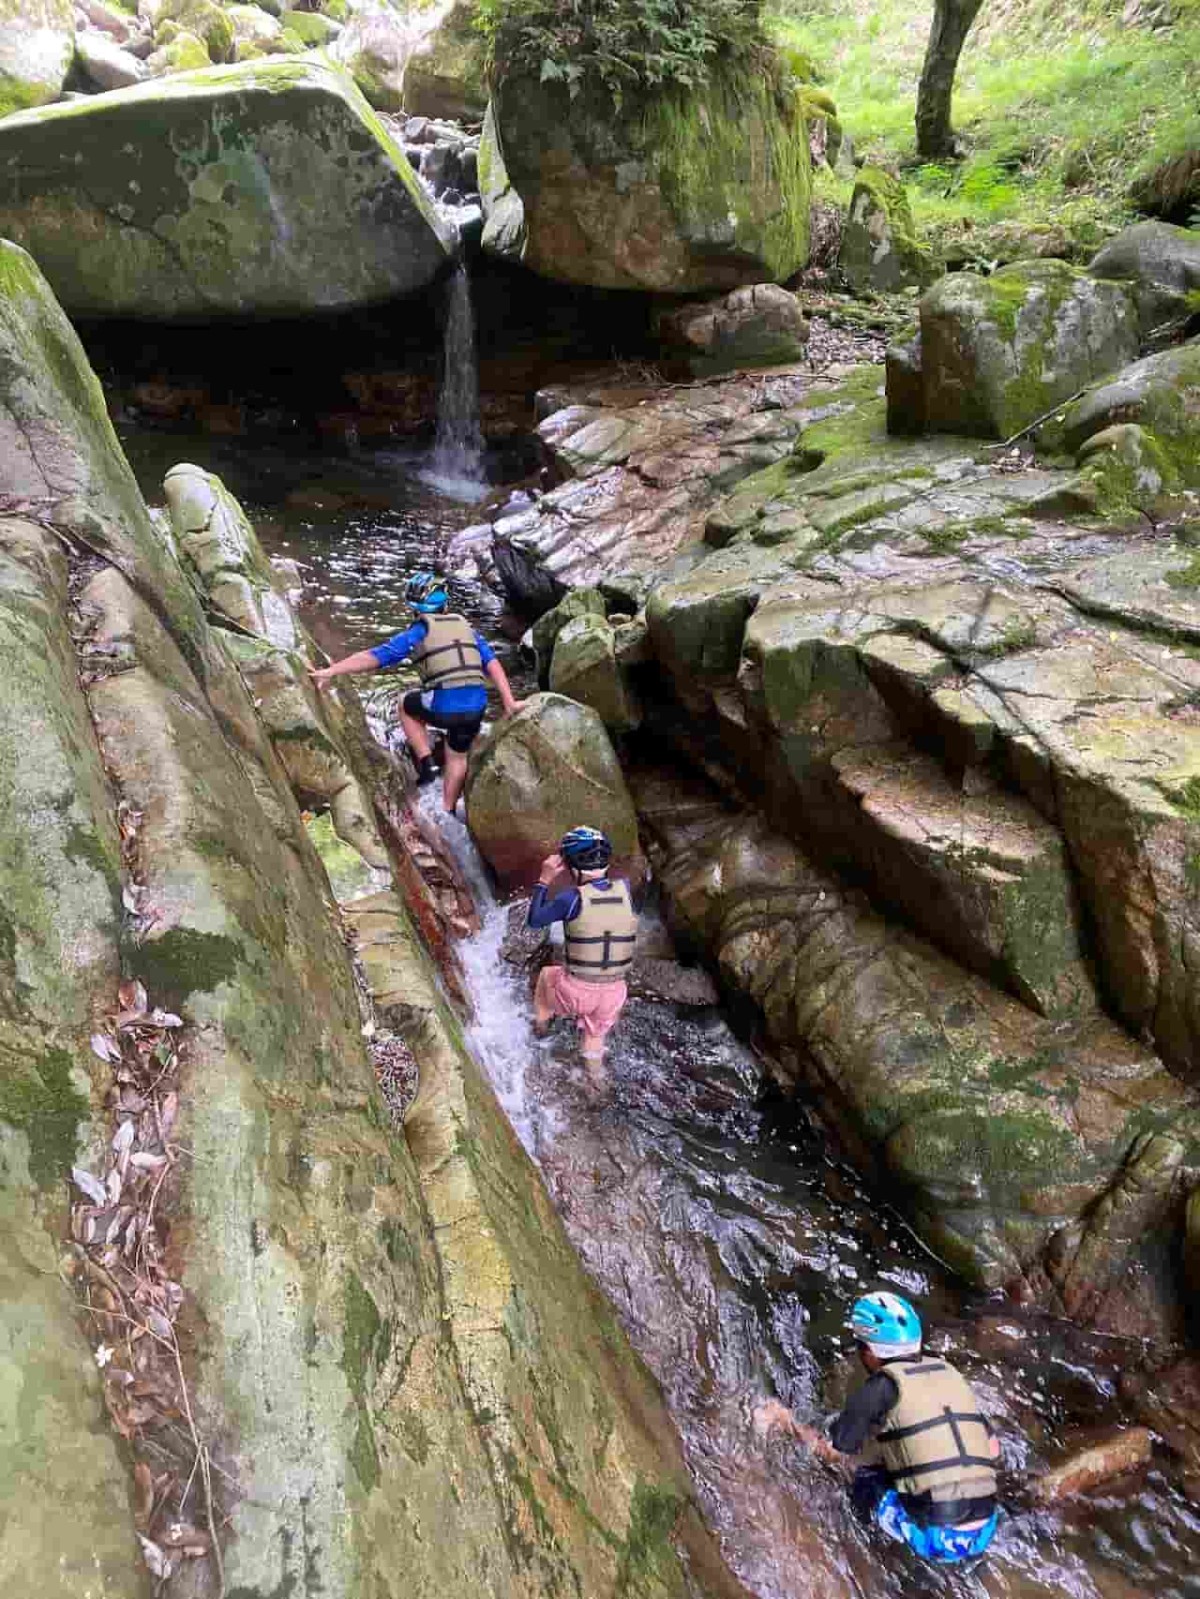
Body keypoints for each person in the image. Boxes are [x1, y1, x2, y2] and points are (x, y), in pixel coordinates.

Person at [755, 1291, 1000, 1566]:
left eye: (860, 1346)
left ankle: (874, 1555)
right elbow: (992, 1448)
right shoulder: (950, 1373)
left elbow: (836, 1455)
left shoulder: (879, 1389)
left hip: (935, 1538)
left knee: (857, 1473)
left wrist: (786, 1421)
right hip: (986, 1529)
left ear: (870, 1353)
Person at [309, 571, 524, 812]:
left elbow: (374, 657)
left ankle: (427, 764)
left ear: (415, 608)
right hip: (476, 707)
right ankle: (448, 809)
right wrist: (510, 703)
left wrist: (332, 671)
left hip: (443, 708)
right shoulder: (467, 630)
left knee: (405, 704)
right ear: (445, 605)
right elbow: (493, 664)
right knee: (457, 756)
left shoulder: (418, 632)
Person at [527, 826, 640, 1083]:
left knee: (546, 976)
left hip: (577, 992)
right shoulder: (626, 890)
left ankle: (540, 1033)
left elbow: (535, 920)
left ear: (571, 866)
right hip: (614, 992)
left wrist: (544, 880)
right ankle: (596, 1084)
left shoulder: (571, 899)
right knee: (594, 1039)